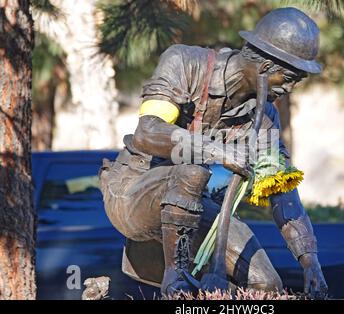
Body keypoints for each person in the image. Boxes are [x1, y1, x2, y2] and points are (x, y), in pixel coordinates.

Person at [99, 7, 328, 298]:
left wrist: (310, 260)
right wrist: (217, 151)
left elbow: (282, 192)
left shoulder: (266, 116)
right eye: (289, 77)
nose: (291, 88)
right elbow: (147, 132)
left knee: (266, 285)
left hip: (192, 207)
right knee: (192, 171)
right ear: (265, 66)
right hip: (133, 190)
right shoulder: (184, 63)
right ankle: (176, 281)